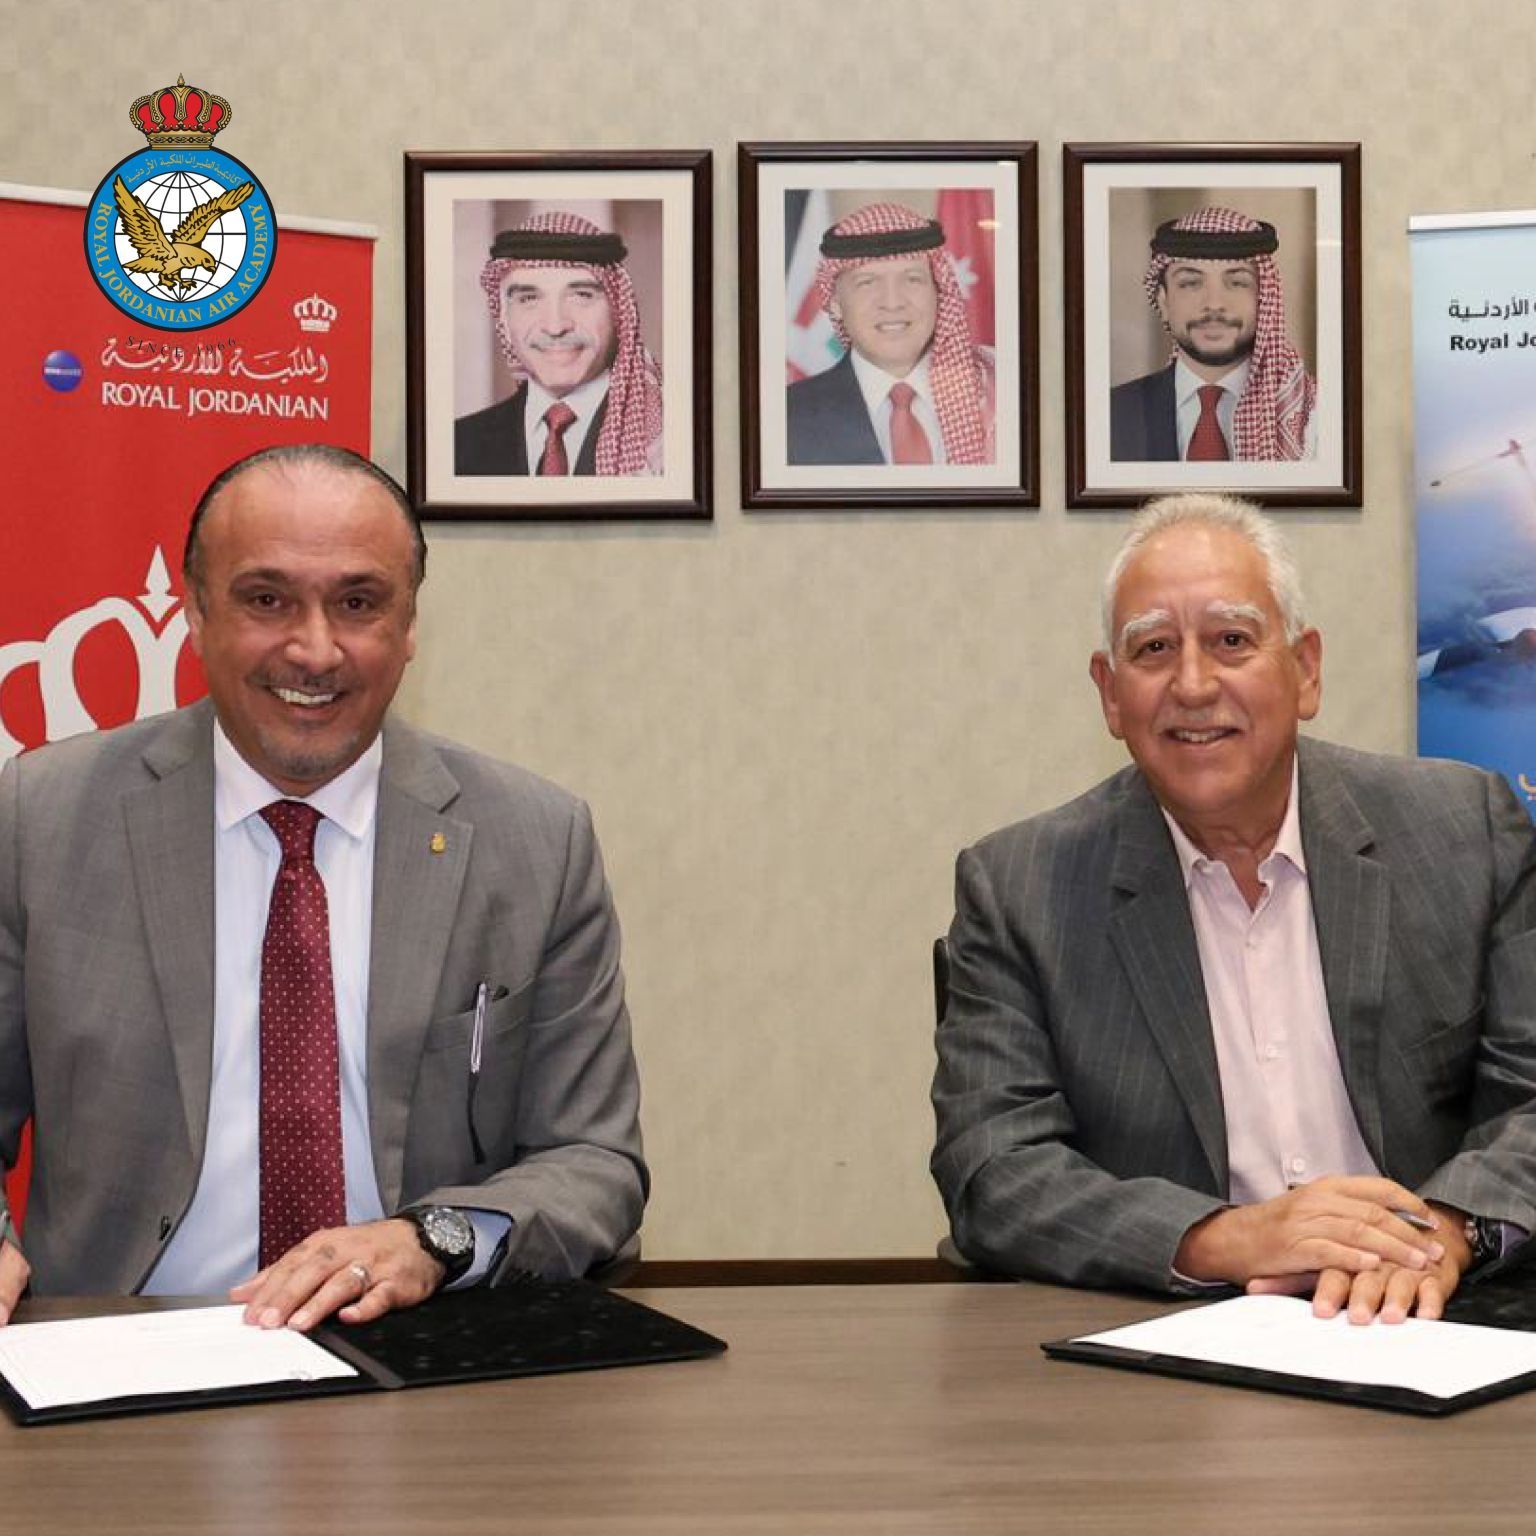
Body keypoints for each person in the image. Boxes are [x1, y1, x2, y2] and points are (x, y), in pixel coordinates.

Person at [0, 443, 646, 1329]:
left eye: (358, 603)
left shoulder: (536, 841)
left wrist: (431, 1239)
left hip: (419, 1345)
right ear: (195, 613)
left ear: (410, 628)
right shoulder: (40, 817)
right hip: (118, 1339)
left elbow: (594, 1161)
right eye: (266, 600)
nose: (314, 650)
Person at [931, 492, 1536, 1323]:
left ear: (1306, 669)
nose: (1192, 684)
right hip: (1171, 1336)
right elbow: (992, 1168)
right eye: (1153, 648)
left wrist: (1444, 1231)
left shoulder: (1465, 832)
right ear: (1111, 694)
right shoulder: (1020, 887)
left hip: (1433, 1318)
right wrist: (1231, 1237)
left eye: (1231, 641)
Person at [455, 211, 664, 477]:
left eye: (581, 296)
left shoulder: (665, 443)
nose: (555, 326)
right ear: (504, 321)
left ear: (619, 313)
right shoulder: (459, 444)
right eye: (529, 299)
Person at [787, 201, 994, 467]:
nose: (893, 302)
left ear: (939, 291)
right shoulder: (786, 417)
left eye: (912, 279)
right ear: (835, 303)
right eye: (867, 282)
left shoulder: (999, 393)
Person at [1110, 206, 1316, 463]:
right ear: (1163, 302)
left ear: (1264, 299)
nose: (1214, 304)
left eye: (1237, 283)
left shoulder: (1315, 417)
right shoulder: (1109, 414)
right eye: (1191, 283)